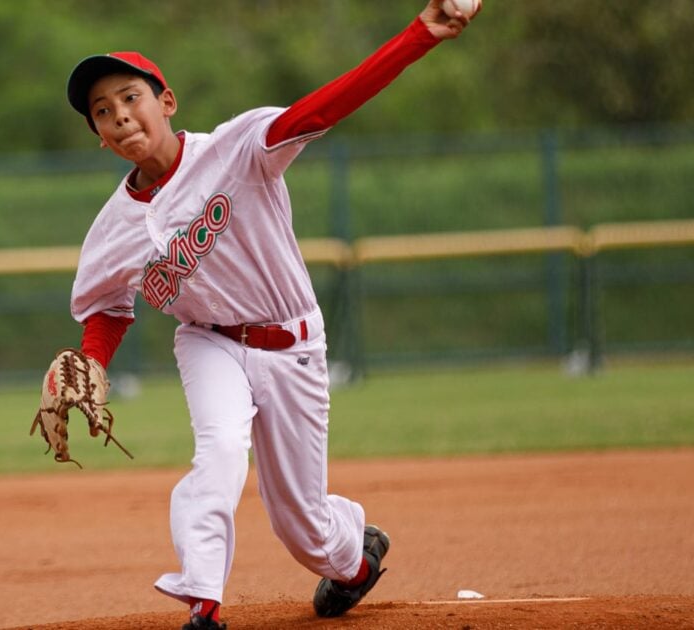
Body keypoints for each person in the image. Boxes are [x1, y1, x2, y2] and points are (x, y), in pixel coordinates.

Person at [62, 2, 479, 627]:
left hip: (292, 343)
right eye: (103, 112)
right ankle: (203, 599)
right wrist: (92, 363)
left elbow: (326, 106)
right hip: (208, 343)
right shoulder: (111, 229)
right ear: (99, 136)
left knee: (304, 530)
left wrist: (420, 36)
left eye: (130, 98)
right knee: (220, 449)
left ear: (166, 100)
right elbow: (107, 308)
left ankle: (355, 561)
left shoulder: (238, 148)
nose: (120, 115)